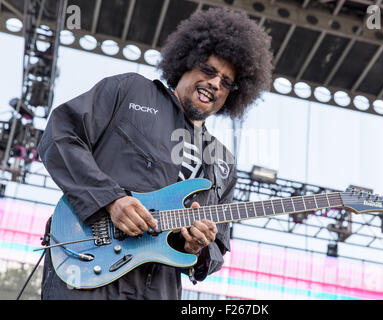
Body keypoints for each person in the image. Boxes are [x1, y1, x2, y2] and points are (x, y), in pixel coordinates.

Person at [38, 7, 273, 300]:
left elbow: (214, 251)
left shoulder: (222, 162)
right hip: (88, 270)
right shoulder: (130, 91)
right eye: (208, 70)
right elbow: (60, 136)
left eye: (226, 82)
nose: (215, 83)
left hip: (158, 289)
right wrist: (110, 200)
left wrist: (197, 247)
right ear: (186, 62)